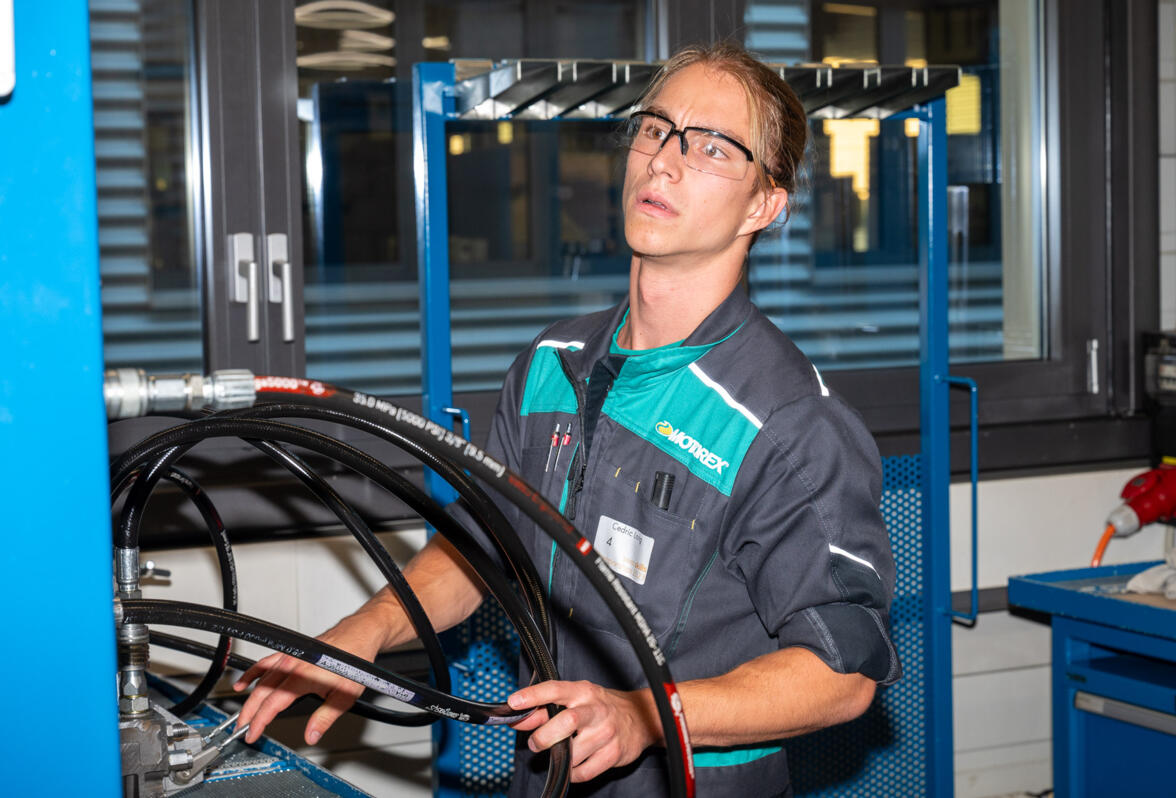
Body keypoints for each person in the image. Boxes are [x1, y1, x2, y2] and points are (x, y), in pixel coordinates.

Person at [235, 41, 899, 797]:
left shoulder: (788, 424)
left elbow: (841, 674)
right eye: (656, 129)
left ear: (764, 204)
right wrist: (370, 631)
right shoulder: (550, 364)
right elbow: (487, 550)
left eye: (712, 147)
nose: (665, 162)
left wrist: (648, 714)